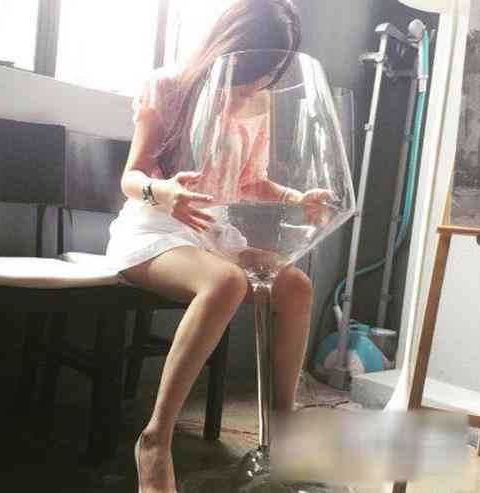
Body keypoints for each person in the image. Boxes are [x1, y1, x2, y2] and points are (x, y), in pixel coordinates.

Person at [105, 1, 331, 491]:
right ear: (231, 48)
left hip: (212, 233)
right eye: (253, 71)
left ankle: (281, 441)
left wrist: (298, 198)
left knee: (296, 287)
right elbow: (131, 177)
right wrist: (163, 192)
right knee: (227, 281)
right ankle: (155, 441)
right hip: (155, 227)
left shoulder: (259, 100)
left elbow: (252, 181)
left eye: (270, 74)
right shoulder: (168, 86)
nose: (257, 84)